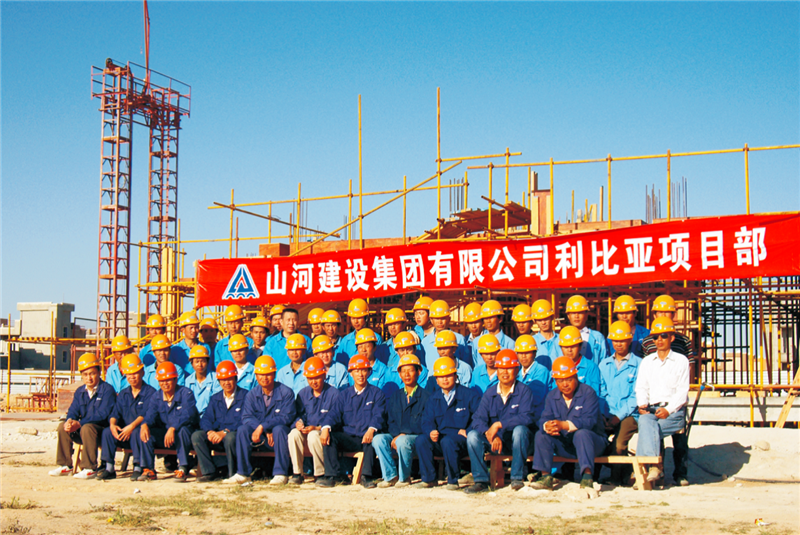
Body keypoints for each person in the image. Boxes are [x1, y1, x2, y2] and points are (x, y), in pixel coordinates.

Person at [530, 357, 607, 490]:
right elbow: (544, 418)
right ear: (555, 381)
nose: (565, 384)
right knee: (541, 434)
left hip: (592, 443)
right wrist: (547, 425)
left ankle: (587, 477)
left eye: (568, 380)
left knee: (582, 434)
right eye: (560, 381)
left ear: (576, 377)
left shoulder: (588, 393)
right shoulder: (552, 396)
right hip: (566, 444)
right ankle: (545, 476)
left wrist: (563, 425)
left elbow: (589, 421)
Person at [464, 349, 536, 493]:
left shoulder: (524, 391)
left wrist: (499, 424)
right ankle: (481, 481)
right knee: (472, 436)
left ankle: (517, 478)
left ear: (517, 370)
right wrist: (489, 433)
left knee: (520, 430)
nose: (505, 372)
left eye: (509, 368)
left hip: (517, 442)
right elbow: (477, 419)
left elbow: (527, 417)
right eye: (501, 368)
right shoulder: (490, 393)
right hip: (495, 442)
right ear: (496, 370)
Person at [635, 317, 690, 486]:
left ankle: (647, 469)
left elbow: (682, 391)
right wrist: (642, 404)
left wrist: (669, 410)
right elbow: (641, 387)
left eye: (663, 336)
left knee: (651, 430)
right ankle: (652, 469)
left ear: (671, 338)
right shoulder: (647, 362)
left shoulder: (681, 361)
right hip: (652, 409)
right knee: (645, 421)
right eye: (655, 337)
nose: (659, 340)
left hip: (674, 411)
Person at [318, 355, 386, 489]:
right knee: (330, 437)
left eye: (364, 370)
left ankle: (366, 477)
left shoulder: (377, 393)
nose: (360, 374)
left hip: (366, 436)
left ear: (369, 372)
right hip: (349, 436)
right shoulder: (344, 395)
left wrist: (371, 430)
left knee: (372, 440)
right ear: (350, 373)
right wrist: (325, 428)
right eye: (356, 371)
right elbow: (333, 414)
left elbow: (379, 415)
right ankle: (333, 475)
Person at [229, 355, 296, 485]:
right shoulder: (252, 394)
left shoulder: (286, 393)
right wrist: (262, 429)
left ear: (274, 374)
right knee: (243, 429)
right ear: (256, 376)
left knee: (279, 429)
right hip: (261, 436)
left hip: (278, 436)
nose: (264, 378)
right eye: (261, 374)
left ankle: (280, 473)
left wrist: (263, 426)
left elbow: (286, 417)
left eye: (268, 374)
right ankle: (243, 473)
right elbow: (246, 417)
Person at [415, 357, 481, 490]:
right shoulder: (433, 399)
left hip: (460, 441)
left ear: (456, 376)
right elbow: (426, 420)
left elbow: (479, 418)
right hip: (440, 438)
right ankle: (429, 479)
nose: (445, 379)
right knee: (421, 440)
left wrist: (468, 430)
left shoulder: (469, 395)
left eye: (449, 376)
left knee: (448, 441)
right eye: (441, 377)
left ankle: (453, 480)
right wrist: (430, 431)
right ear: (436, 380)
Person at [49, 353, 116, 479]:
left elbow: (102, 414)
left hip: (101, 432)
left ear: (99, 373)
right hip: (83, 430)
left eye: (92, 374)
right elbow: (73, 410)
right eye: (85, 375)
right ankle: (65, 465)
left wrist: (79, 423)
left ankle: (89, 467)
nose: (89, 378)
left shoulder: (107, 390)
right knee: (62, 427)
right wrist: (70, 421)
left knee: (87, 428)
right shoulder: (80, 392)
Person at [374, 354, 431, 488]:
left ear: (418, 372)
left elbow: (424, 423)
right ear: (399, 374)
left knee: (402, 441)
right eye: (403, 371)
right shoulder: (395, 396)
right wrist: (396, 435)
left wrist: (404, 434)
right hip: (397, 435)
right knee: (378, 439)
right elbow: (391, 421)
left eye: (410, 370)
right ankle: (390, 476)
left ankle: (404, 478)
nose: (406, 374)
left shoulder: (426, 397)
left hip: (415, 437)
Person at [97, 355, 156, 481]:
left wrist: (132, 426)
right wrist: (113, 425)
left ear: (142, 373)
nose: (132, 377)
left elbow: (146, 414)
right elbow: (115, 413)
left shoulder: (150, 392)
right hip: (125, 433)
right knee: (107, 432)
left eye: (135, 373)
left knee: (136, 432)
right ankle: (109, 468)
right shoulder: (124, 393)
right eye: (129, 374)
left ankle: (138, 467)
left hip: (139, 433)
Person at [136, 361, 198, 482]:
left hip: (184, 435)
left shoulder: (186, 393)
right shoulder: (156, 396)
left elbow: (188, 415)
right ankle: (148, 469)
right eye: (162, 381)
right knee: (146, 432)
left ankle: (183, 468)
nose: (165, 383)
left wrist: (173, 427)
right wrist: (144, 424)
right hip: (167, 435)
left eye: (168, 380)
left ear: (175, 380)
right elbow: (150, 414)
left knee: (183, 431)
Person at [599, 321, 642, 486]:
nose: (618, 344)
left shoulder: (639, 365)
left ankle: (616, 478)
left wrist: (618, 416)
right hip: (607, 414)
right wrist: (604, 415)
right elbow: (601, 393)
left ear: (630, 340)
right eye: (615, 340)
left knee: (619, 443)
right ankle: (595, 475)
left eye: (622, 340)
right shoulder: (604, 365)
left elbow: (636, 396)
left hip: (630, 415)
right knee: (594, 438)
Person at [191, 360, 247, 482]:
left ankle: (233, 473)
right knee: (197, 436)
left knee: (231, 438)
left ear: (235, 379)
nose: (226, 383)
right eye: (223, 380)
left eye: (229, 379)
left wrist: (225, 432)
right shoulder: (215, 398)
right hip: (216, 437)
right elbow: (206, 418)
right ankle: (209, 472)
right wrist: (209, 431)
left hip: (233, 437)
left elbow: (245, 420)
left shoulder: (246, 396)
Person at [288, 357, 339, 485]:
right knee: (293, 434)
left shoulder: (333, 394)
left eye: (317, 378)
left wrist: (317, 428)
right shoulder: (303, 394)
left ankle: (320, 473)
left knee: (313, 435)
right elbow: (296, 414)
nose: (313, 381)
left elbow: (337, 418)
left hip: (322, 432)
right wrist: (298, 423)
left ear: (324, 376)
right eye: (310, 378)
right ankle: (297, 473)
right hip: (306, 430)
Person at [640, 294, 696, 372]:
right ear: (654, 315)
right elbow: (644, 367)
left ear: (673, 314)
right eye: (660, 312)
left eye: (667, 312)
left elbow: (690, 366)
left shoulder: (684, 340)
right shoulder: (647, 341)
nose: (663, 315)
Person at [421, 299, 472, 368]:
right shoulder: (425, 342)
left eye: (443, 318)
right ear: (431, 320)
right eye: (437, 319)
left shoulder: (459, 339)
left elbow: (466, 364)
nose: (440, 322)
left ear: (449, 319)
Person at [515, 335, 552, 420]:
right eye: (520, 353)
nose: (523, 356)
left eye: (527, 353)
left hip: (537, 417)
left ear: (534, 353)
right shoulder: (517, 372)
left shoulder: (541, 371)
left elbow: (535, 399)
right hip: (521, 415)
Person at [564, 295, 608, 365]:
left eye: (580, 312)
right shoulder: (562, 337)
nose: (576, 316)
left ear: (586, 314)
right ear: (568, 315)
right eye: (573, 313)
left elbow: (604, 363)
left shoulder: (598, 338)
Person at [557, 326, 601, 396]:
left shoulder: (591, 367)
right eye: (566, 347)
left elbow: (594, 395)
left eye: (573, 346)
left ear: (580, 346)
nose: (569, 350)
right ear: (561, 348)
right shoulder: (557, 368)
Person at [338, 299, 383, 366]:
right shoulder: (346, 341)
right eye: (353, 318)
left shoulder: (376, 338)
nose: (356, 321)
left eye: (359, 318)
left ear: (366, 318)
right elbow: (340, 365)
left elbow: (378, 363)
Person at [184, 345, 221, 417]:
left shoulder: (215, 379)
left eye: (203, 361)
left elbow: (216, 402)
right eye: (197, 362)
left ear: (207, 362)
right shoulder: (188, 381)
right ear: (192, 363)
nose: (200, 365)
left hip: (211, 416)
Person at [531, 299, 561, 369]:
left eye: (546, 319)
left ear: (552, 317)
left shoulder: (561, 340)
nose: (543, 323)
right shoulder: (532, 341)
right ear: (535, 321)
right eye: (539, 320)